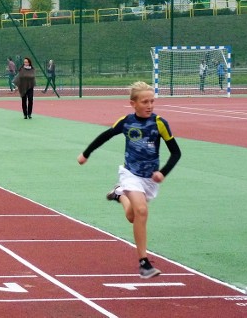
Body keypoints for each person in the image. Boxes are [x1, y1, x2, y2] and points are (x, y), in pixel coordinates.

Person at [77, 81, 181, 279]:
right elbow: (105, 136)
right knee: (142, 211)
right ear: (133, 103)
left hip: (149, 179)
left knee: (133, 216)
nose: (149, 105)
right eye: (145, 102)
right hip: (130, 173)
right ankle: (144, 263)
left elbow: (176, 152)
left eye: (152, 101)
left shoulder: (160, 123)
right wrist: (86, 153)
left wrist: (163, 172)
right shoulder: (126, 122)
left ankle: (119, 194)